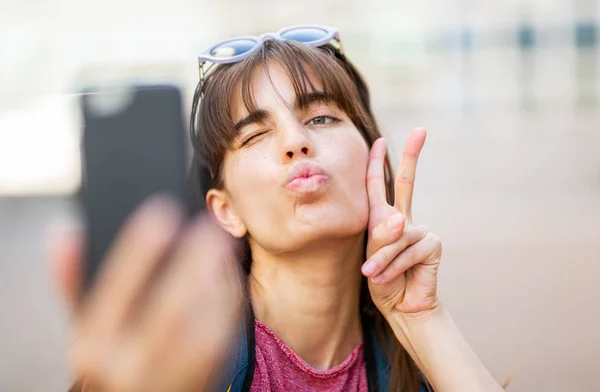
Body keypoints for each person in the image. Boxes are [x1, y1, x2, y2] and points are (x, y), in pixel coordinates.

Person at [51, 25, 504, 392]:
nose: (295, 141)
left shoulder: (422, 362)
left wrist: (423, 320)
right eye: (254, 135)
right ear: (224, 211)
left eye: (321, 117)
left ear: (372, 161)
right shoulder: (177, 367)